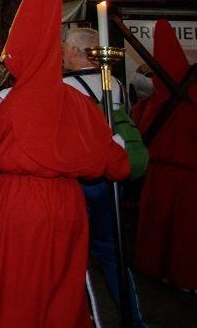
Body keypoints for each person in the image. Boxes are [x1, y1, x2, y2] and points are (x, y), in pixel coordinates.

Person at [0, 0, 131, 327]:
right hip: (67, 203)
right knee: (61, 284)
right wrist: (116, 143)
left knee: (18, 282)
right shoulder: (79, 102)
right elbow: (115, 163)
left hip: (21, 202)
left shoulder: (13, 100)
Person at [62, 26, 147, 324]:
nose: (63, 54)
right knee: (112, 253)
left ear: (75, 51)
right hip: (110, 179)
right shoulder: (116, 84)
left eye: (65, 48)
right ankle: (133, 318)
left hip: (80, 179)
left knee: (70, 255)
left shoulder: (64, 86)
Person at [134, 19, 197, 292]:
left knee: (162, 226)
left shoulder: (150, 104)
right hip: (184, 175)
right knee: (184, 231)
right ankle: (183, 278)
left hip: (163, 174)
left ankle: (157, 270)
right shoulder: (187, 98)